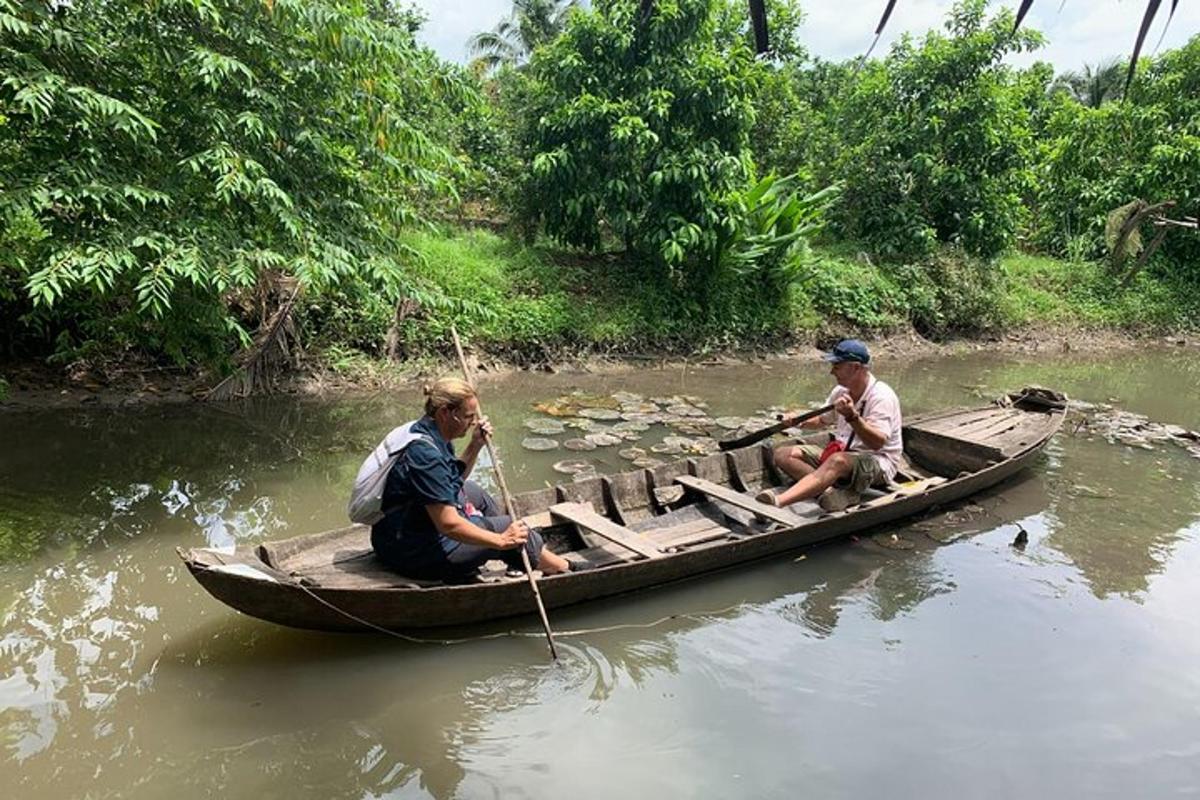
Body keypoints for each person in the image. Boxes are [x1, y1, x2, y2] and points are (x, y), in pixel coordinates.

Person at [364, 377, 574, 581]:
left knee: (474, 491)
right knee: (510, 527)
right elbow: (448, 525)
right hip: (410, 551)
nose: (473, 422)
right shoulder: (425, 456)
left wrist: (475, 445)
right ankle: (563, 568)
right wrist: (501, 540)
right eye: (468, 416)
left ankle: (515, 556)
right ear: (445, 413)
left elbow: (451, 479)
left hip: (401, 529)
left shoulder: (430, 431)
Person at [758, 339, 902, 510]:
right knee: (783, 454)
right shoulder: (841, 391)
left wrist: (852, 417)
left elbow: (877, 443)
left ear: (855, 367)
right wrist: (797, 421)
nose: (832, 371)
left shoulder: (881, 396)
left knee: (837, 461)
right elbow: (821, 420)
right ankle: (829, 490)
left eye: (837, 366)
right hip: (843, 453)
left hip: (877, 462)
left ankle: (778, 502)